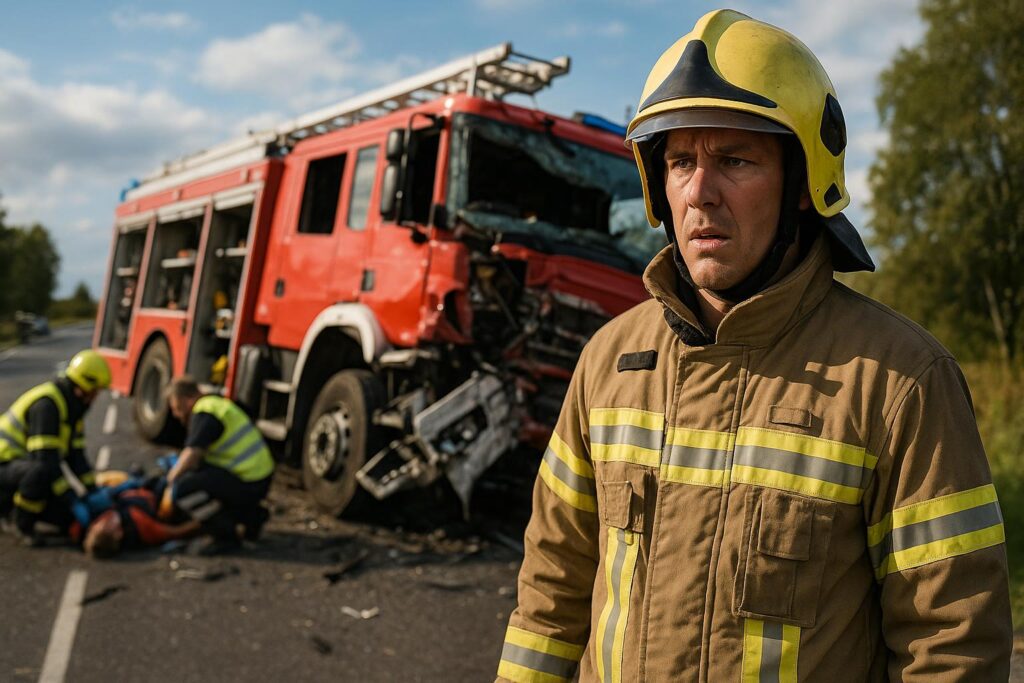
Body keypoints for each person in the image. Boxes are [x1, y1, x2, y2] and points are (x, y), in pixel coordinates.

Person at [497, 9, 1011, 682]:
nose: (700, 192)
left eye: (734, 160)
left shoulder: (900, 382)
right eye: (680, 161)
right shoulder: (607, 364)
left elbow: (951, 644)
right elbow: (550, 598)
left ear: (801, 185)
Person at [0, 349, 110, 545]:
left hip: (23, 468)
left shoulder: (72, 409)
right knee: (41, 473)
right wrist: (71, 497)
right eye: (95, 392)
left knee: (66, 518)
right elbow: (45, 462)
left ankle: (17, 507)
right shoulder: (47, 406)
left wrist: (91, 490)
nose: (95, 398)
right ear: (82, 387)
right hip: (5, 465)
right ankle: (20, 522)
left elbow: (76, 457)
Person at [165, 376, 273, 554]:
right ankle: (252, 516)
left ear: (188, 399)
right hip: (258, 475)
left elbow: (192, 453)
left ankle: (225, 536)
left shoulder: (204, 411)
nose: (177, 415)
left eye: (177, 408)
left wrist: (170, 481)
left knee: (185, 489)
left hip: (249, 480)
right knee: (203, 479)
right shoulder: (217, 404)